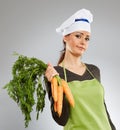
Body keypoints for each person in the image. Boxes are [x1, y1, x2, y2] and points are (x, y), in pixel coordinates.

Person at [45, 8, 116, 130]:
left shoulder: (94, 70)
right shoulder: (56, 73)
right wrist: (53, 84)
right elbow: (62, 120)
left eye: (87, 38)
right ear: (65, 38)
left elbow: (102, 109)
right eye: (78, 36)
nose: (83, 42)